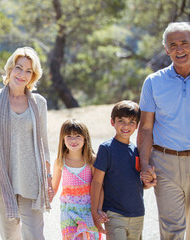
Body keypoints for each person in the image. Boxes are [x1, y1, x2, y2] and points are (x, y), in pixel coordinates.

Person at [0, 46, 54, 240]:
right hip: (2, 181)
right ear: (10, 68)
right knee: (10, 237)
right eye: (19, 67)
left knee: (35, 236)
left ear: (33, 76)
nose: (22, 74)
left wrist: (48, 178)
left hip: (32, 181)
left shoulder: (39, 103)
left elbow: (44, 144)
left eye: (29, 71)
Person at [137, 22, 190, 240]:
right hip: (165, 163)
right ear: (166, 50)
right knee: (172, 230)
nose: (179, 49)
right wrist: (145, 164)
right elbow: (146, 127)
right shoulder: (153, 82)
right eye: (173, 45)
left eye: (185, 43)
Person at [91, 100, 150, 240]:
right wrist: (95, 211)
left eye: (131, 122)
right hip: (114, 214)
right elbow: (97, 182)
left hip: (137, 214)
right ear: (112, 122)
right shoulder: (106, 149)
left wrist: (149, 182)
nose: (126, 126)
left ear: (137, 126)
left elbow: (137, 183)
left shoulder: (137, 151)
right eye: (121, 121)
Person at [51, 119, 106, 240]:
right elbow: (53, 188)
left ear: (85, 138)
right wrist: (46, 197)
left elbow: (99, 187)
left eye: (77, 136)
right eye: (69, 136)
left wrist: (99, 209)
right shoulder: (61, 161)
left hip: (89, 210)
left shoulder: (91, 161)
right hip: (68, 211)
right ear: (63, 139)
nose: (73, 140)